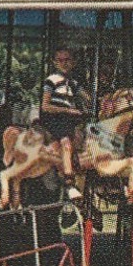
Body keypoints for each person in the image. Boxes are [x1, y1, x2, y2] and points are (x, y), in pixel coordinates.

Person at [40, 47, 90, 178]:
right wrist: (68, 110)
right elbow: (45, 106)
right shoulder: (51, 80)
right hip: (54, 118)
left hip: (69, 119)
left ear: (73, 63)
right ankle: (68, 177)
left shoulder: (73, 83)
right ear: (55, 63)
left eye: (67, 60)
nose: (64, 63)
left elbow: (88, 98)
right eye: (60, 60)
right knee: (66, 142)